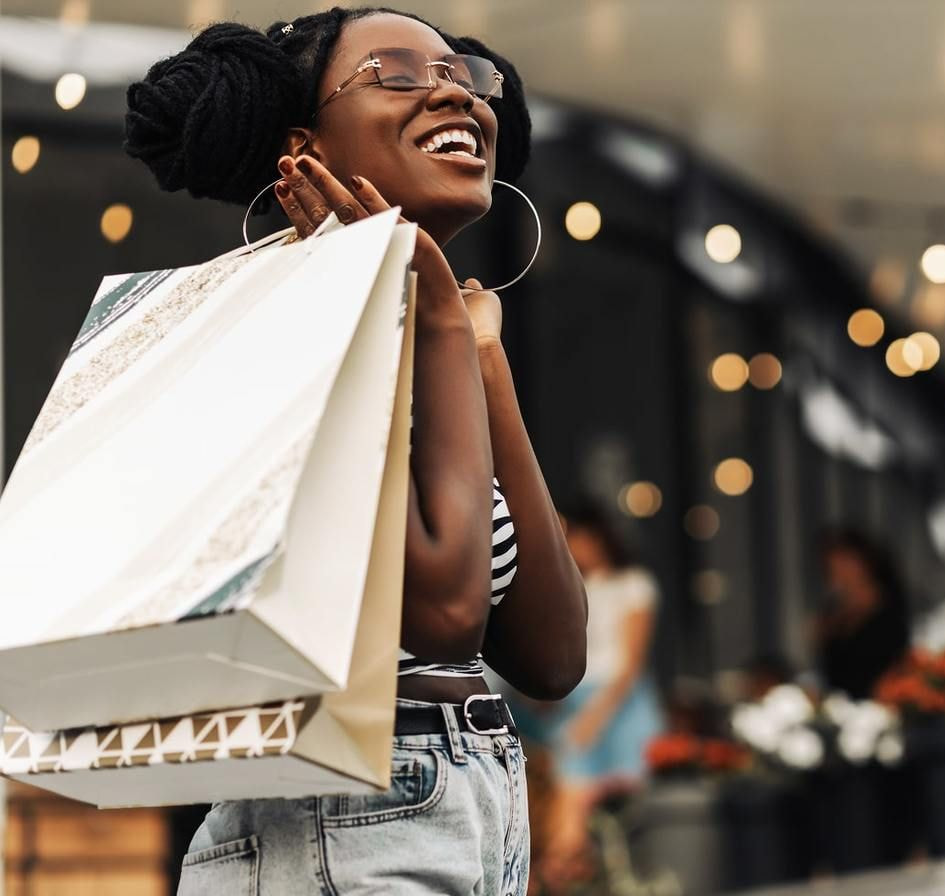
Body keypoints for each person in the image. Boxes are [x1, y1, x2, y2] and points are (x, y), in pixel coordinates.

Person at [123, 7, 588, 893]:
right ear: (306, 146)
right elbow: (443, 615)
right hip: (336, 832)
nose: (453, 91)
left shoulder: (436, 339)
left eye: (462, 75)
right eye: (399, 74)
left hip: (469, 817)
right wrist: (447, 320)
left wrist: (480, 357)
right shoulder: (277, 334)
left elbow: (552, 654)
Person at [513, 503, 664, 885]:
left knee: (572, 786)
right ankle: (562, 871)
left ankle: (557, 871)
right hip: (578, 702)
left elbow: (629, 665)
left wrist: (593, 720)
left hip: (615, 706)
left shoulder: (632, 584)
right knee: (563, 790)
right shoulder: (575, 585)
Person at [811, 528, 910, 699]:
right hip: (841, 703)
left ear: (864, 562)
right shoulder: (832, 612)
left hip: (881, 701)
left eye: (846, 562)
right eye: (833, 565)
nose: (840, 571)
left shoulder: (887, 604)